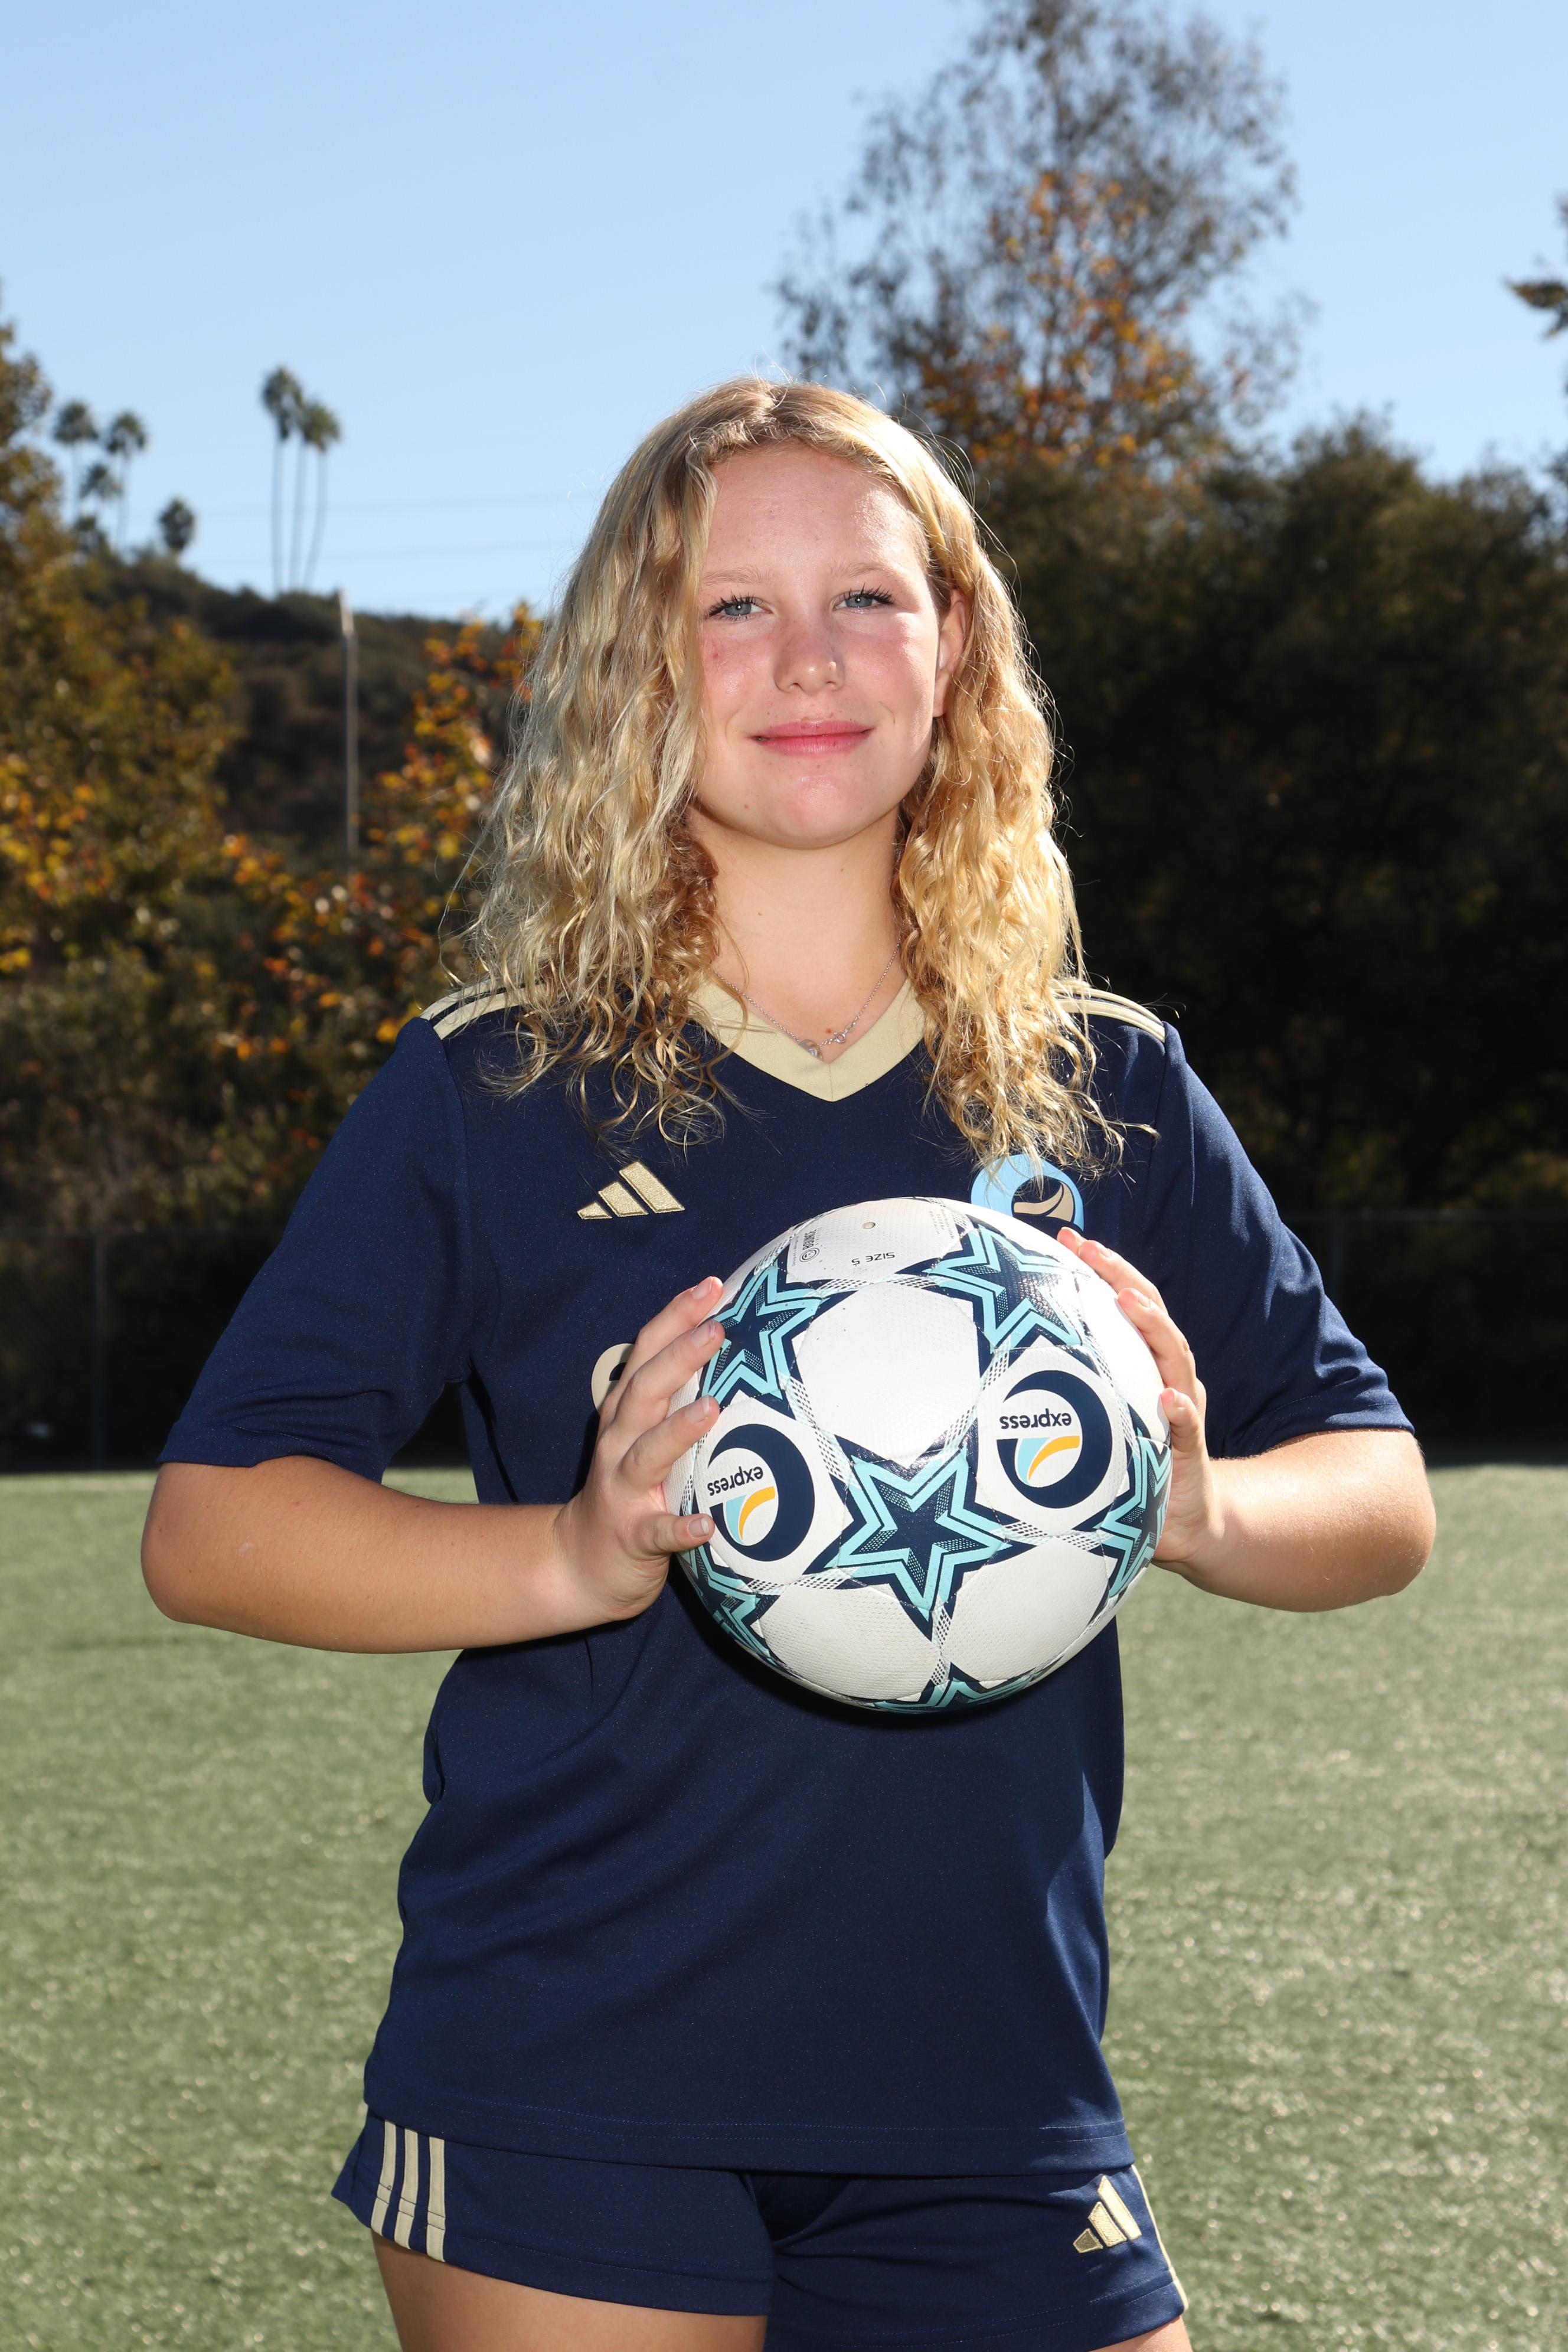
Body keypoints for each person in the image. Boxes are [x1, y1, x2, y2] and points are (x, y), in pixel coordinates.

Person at [142, 379, 1435, 2352]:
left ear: (955, 649)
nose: (808, 657)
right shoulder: (499, 1086)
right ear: (641, 668)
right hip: (573, 2078)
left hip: (996, 2082)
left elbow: (1380, 1488)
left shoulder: (1106, 1081)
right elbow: (214, 1526)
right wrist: (566, 1555)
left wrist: (1190, 1506)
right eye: (731, 606)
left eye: (867, 597)